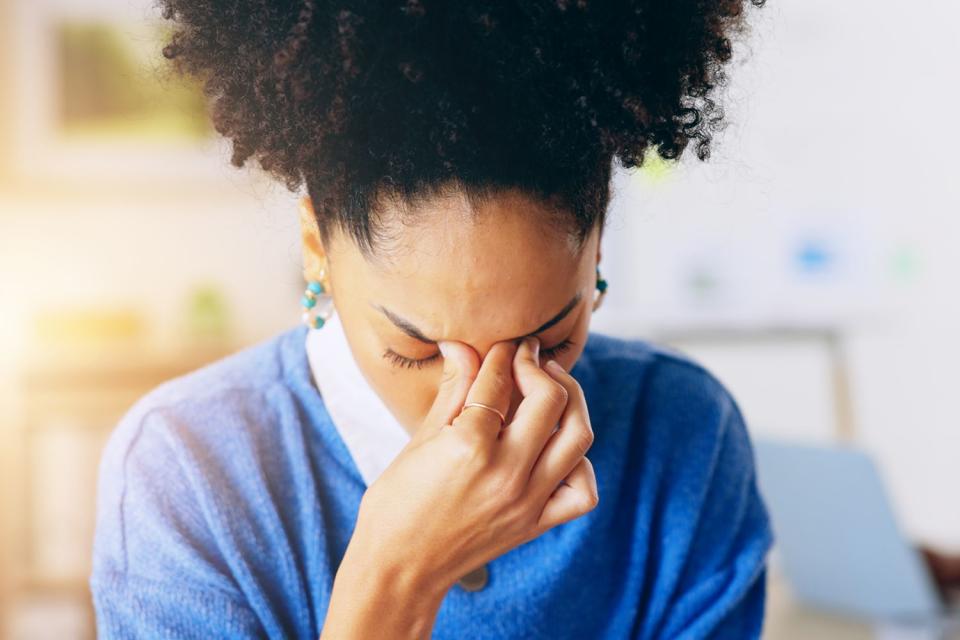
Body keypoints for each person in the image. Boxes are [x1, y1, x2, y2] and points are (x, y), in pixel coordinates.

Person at [89, 1, 771, 638]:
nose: (487, 405)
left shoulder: (683, 436)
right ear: (316, 251)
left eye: (549, 340)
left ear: (596, 248)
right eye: (416, 349)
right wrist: (397, 576)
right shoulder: (186, 471)